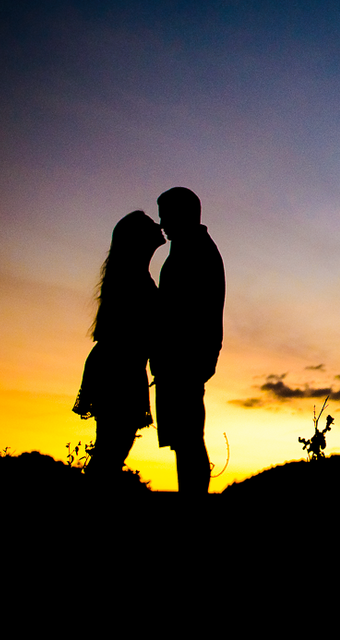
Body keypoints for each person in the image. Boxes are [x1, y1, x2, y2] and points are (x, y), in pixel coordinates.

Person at [73, 211, 165, 482]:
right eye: (151, 224)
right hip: (118, 368)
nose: (158, 225)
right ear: (138, 238)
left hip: (122, 366)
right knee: (111, 451)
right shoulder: (131, 277)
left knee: (112, 449)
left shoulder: (132, 274)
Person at [151, 187, 225, 494]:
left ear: (184, 214)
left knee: (188, 440)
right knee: (185, 440)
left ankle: (192, 505)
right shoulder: (187, 248)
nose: (161, 224)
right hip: (182, 360)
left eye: (166, 216)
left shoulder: (195, 251)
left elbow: (189, 311)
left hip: (185, 360)